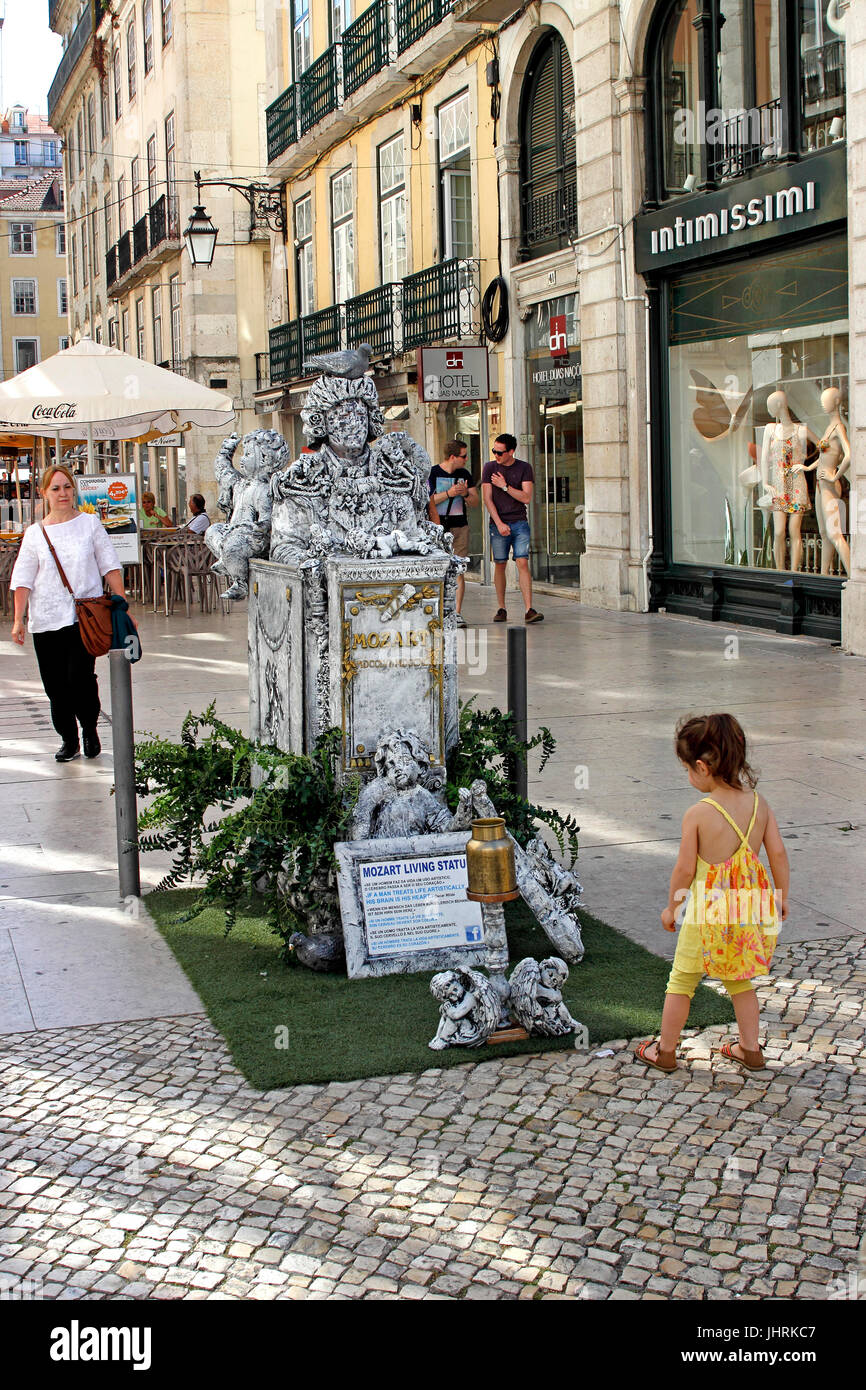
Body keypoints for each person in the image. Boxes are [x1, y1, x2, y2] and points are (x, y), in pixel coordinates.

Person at [634, 713, 789, 1075]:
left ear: (702, 767)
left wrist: (672, 908)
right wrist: (781, 897)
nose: (689, 775)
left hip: (705, 914)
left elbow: (685, 870)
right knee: (739, 979)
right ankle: (750, 1049)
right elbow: (778, 853)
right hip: (744, 909)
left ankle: (666, 1051)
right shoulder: (758, 804)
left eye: (688, 768)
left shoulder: (699, 814)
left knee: (682, 980)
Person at [10, 463, 126, 762]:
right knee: (55, 686)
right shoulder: (35, 533)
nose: (63, 493)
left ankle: (89, 728)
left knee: (81, 678)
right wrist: (18, 620)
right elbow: (23, 579)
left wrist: (123, 602)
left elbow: (109, 564)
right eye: (55, 488)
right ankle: (68, 738)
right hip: (45, 620)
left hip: (82, 618)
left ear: (73, 489)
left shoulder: (89, 524)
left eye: (67, 487)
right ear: (44, 493)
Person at [481, 433, 543, 624]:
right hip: (498, 523)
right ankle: (501, 608)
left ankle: (529, 609)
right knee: (500, 564)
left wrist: (505, 486)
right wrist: (499, 523)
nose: (496, 456)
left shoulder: (524, 468)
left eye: (500, 453)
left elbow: (526, 497)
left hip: (519, 522)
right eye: (494, 451)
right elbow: (487, 499)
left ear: (511, 452)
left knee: (522, 562)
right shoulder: (489, 467)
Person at [428, 439, 478, 625]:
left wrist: (465, 493)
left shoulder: (464, 474)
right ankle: (437, 610)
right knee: (437, 571)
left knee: (458, 570)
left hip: (459, 527)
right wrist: (449, 493)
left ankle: (457, 612)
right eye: (463, 456)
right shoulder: (433, 473)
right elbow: (429, 500)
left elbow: (475, 502)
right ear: (452, 457)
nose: (466, 460)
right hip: (438, 527)